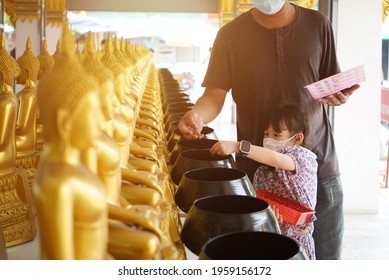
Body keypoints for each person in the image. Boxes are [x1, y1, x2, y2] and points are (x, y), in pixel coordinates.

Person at [178, 0, 360, 260]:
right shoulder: (230, 35)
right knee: (268, 260)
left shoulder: (318, 24)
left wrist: (339, 96)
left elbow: (332, 84)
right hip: (260, 172)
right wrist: (197, 115)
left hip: (317, 166)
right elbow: (213, 96)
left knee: (327, 260)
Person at [210, 104, 317, 259]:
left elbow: (277, 159)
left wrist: (238, 146)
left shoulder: (304, 159)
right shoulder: (262, 172)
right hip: (271, 240)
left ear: (297, 139)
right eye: (266, 134)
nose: (268, 140)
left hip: (298, 245)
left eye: (277, 135)